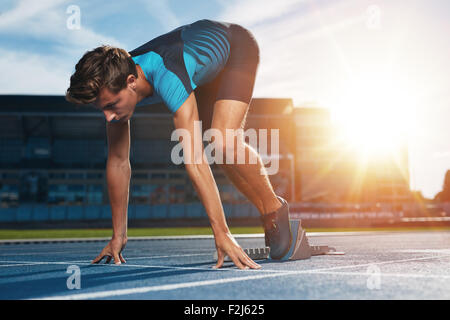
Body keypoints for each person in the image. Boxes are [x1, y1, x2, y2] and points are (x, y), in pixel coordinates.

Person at [66, 19, 292, 270]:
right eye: (102, 109)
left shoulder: (166, 74)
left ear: (131, 81)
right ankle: (268, 208)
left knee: (223, 141)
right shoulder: (116, 83)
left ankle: (274, 209)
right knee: (218, 145)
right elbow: (118, 162)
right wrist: (118, 235)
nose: (108, 117)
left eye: (110, 106)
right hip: (201, 72)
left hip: (236, 49)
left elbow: (194, 159)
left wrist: (222, 233)